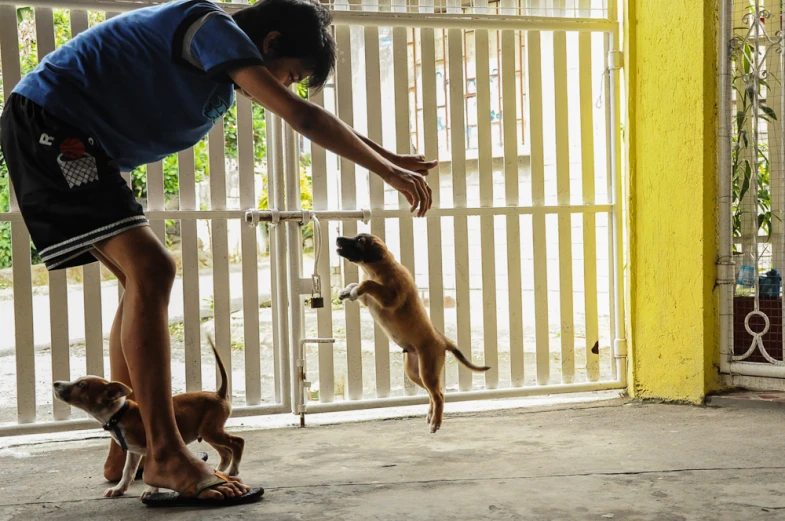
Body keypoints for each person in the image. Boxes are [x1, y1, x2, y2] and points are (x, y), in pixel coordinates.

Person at [0, 0, 436, 506]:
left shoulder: (222, 60)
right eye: (291, 73)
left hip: (72, 133)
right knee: (152, 268)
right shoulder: (211, 27)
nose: (287, 87)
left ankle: (128, 446)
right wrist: (386, 172)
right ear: (270, 43)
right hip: (56, 127)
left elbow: (303, 110)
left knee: (138, 278)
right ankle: (164, 453)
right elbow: (302, 117)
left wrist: (384, 156)